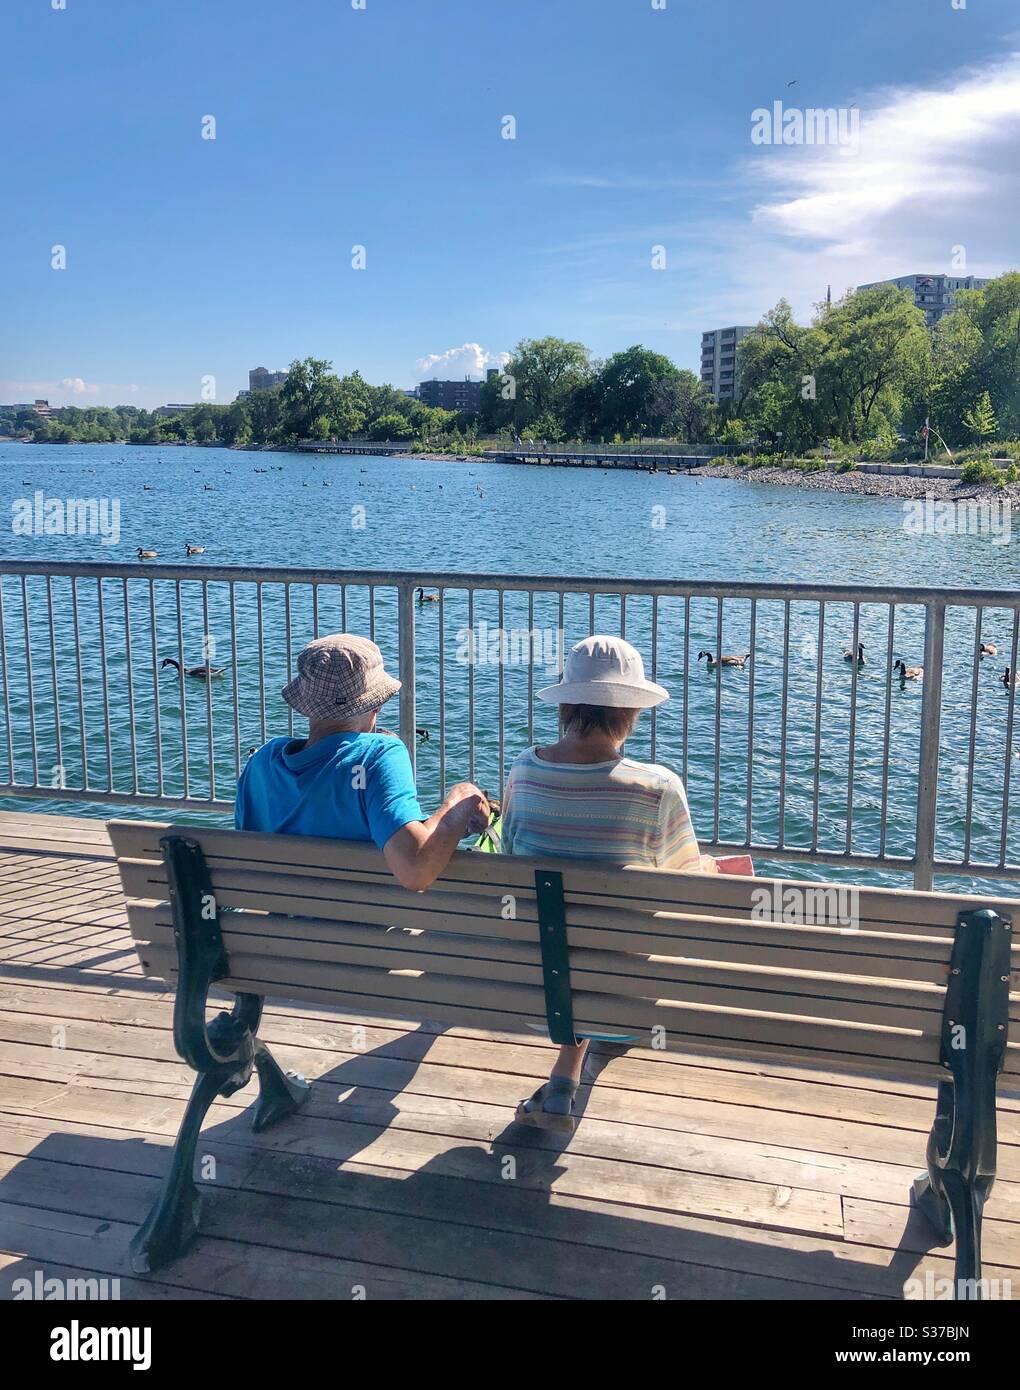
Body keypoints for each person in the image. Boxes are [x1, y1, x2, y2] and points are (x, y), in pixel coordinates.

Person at [500, 634, 716, 1133]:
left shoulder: (524, 773)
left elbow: (511, 862)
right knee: (613, 936)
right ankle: (596, 1043)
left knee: (566, 932)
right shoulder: (657, 788)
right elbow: (689, 888)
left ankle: (566, 1070)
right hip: (629, 994)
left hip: (535, 989)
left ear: (567, 704)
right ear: (631, 711)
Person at [236, 634, 489, 890]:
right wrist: (462, 799)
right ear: (377, 703)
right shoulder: (378, 755)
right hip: (364, 926)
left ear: (305, 705)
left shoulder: (262, 761)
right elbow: (416, 870)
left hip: (272, 926)